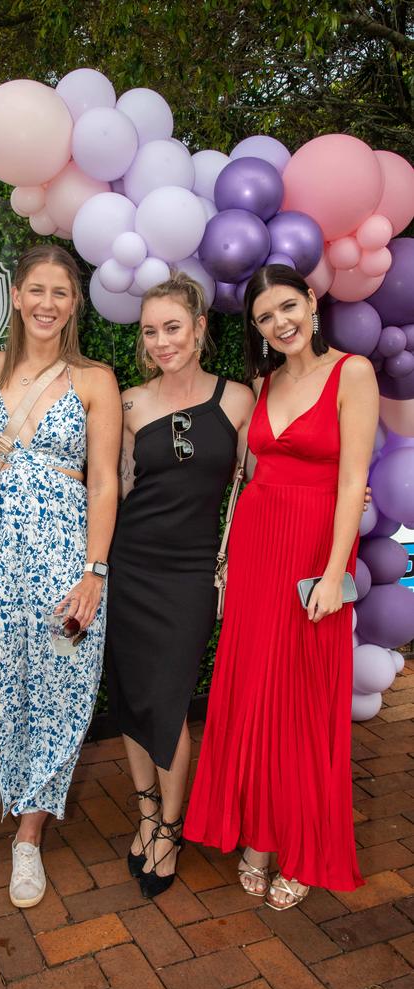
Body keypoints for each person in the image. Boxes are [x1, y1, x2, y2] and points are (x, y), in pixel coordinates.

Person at [184, 264, 378, 909]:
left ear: (313, 303)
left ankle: (299, 843)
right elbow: (249, 473)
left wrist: (333, 572)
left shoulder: (353, 372)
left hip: (313, 559)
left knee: (302, 704)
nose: (280, 323)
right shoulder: (262, 383)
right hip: (258, 552)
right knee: (254, 695)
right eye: (265, 317)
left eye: (288, 307)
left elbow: (353, 482)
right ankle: (260, 838)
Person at [0, 245, 121, 908]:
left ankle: (29, 835)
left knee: (57, 695)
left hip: (64, 564)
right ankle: (16, 786)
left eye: (62, 292)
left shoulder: (94, 380)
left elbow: (106, 479)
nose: (48, 302)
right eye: (37, 290)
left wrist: (94, 572)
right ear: (17, 297)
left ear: (74, 304)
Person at [106, 272, 255, 898]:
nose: (162, 341)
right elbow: (113, 489)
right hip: (130, 565)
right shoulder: (130, 402)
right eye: (150, 331)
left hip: (192, 572)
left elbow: (257, 484)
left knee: (167, 699)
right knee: (134, 700)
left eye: (173, 327)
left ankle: (171, 827)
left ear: (199, 329)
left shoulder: (239, 399)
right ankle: (146, 813)